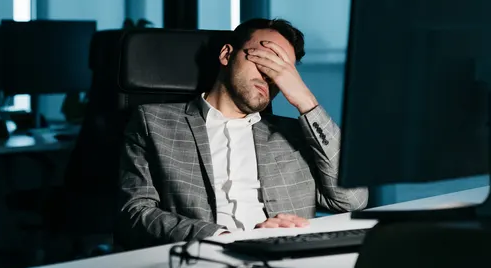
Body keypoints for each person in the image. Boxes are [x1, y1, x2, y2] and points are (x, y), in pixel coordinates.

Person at [117, 19, 369, 248]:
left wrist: (306, 101)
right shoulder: (154, 122)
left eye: (283, 70)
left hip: (286, 264)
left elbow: (352, 200)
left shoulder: (298, 135)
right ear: (227, 54)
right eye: (265, 59)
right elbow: (135, 212)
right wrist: (224, 238)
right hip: (203, 263)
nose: (271, 74)